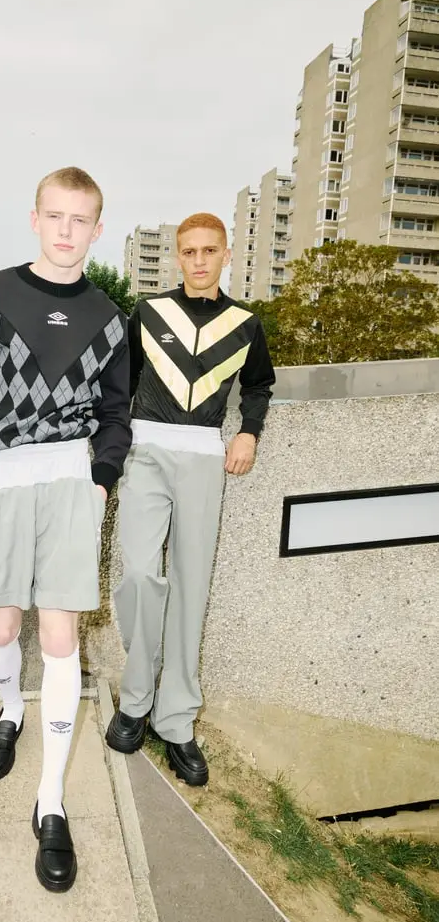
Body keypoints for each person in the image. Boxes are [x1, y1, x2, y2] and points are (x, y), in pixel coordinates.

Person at [0, 166, 132, 893]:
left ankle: (51, 802)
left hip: (70, 481)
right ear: (35, 218)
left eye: (81, 220)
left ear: (97, 229)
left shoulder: (111, 317)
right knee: (3, 625)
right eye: (55, 216)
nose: (66, 230)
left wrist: (101, 480)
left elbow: (115, 413)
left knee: (59, 636)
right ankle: (11, 709)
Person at [105, 212, 275, 786]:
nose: (199, 261)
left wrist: (248, 429)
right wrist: (110, 445)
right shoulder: (149, 314)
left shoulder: (246, 325)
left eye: (210, 251)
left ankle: (175, 720)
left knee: (191, 584)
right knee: (138, 575)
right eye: (189, 252)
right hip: (145, 451)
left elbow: (258, 385)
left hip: (204, 454)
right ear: (178, 257)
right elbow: (120, 384)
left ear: (227, 255)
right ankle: (135, 698)